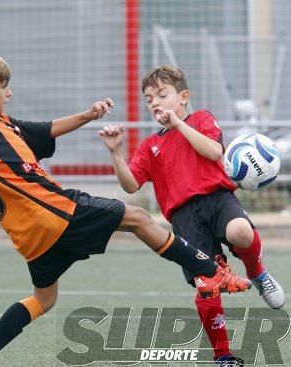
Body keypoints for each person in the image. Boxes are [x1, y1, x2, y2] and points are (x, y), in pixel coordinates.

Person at [0, 49, 252, 367]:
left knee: (44, 299)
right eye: (4, 87)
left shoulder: (1, 123)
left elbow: (46, 129)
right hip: (56, 213)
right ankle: (209, 270)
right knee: (136, 217)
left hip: (34, 239)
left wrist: (87, 116)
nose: (10, 93)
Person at [99, 65, 285, 367]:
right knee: (207, 282)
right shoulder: (149, 146)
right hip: (184, 218)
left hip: (217, 199)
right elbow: (131, 185)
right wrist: (115, 152)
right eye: (149, 99)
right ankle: (223, 356)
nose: (155, 102)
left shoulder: (201, 119)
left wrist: (178, 126)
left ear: (183, 97)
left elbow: (214, 152)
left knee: (241, 232)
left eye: (162, 94)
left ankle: (258, 274)